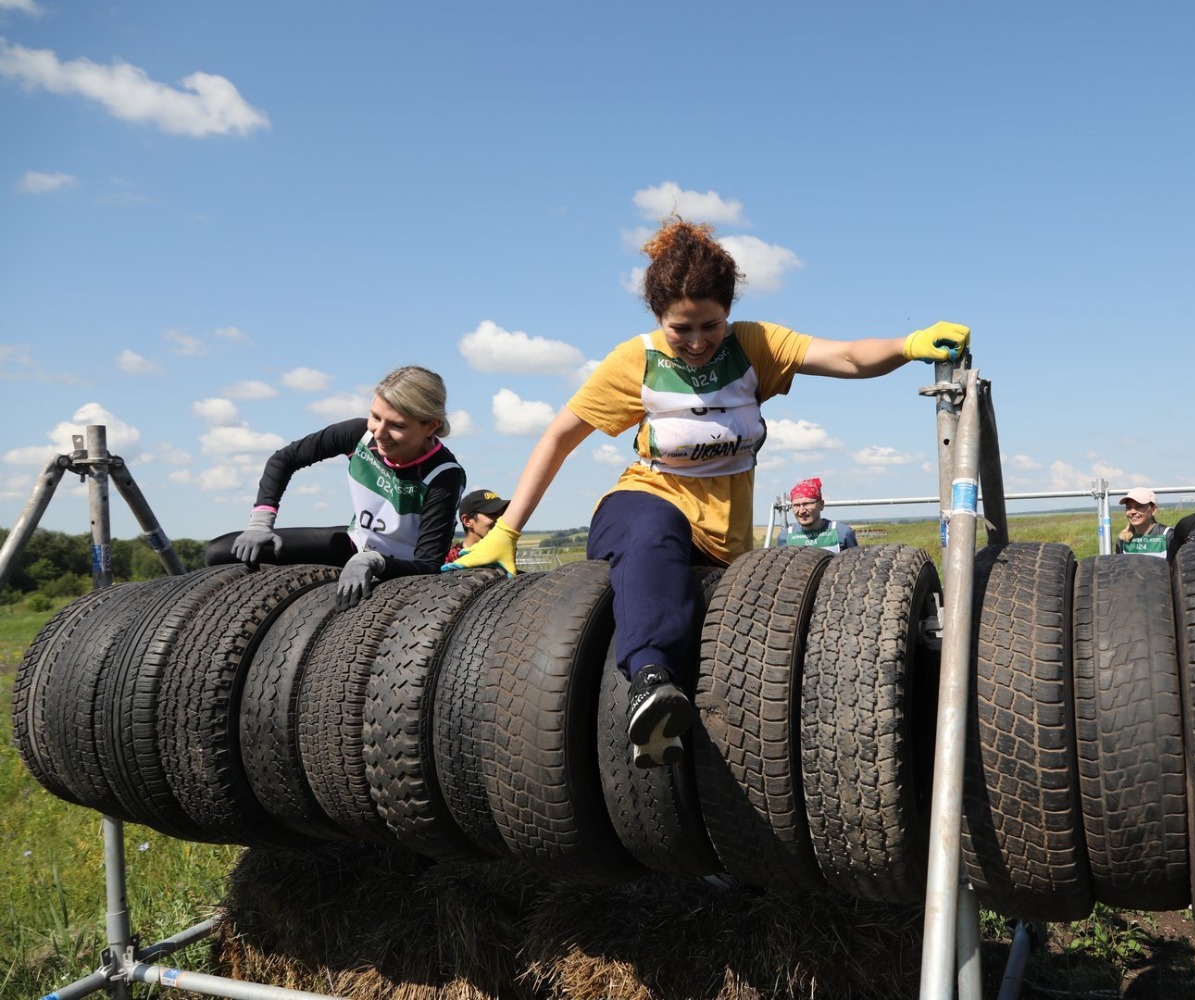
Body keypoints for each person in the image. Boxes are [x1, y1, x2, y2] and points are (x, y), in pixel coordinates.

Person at [444, 217, 968, 767]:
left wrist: (908, 345)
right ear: (658, 319)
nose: (696, 342)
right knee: (653, 530)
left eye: (709, 326)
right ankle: (650, 684)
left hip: (724, 535)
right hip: (640, 504)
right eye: (681, 329)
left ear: (728, 313)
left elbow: (846, 357)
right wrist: (507, 531)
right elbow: (558, 438)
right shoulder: (637, 360)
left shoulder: (755, 345)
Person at [206, 365, 465, 611]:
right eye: (375, 417)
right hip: (354, 545)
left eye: (397, 425)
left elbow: (428, 565)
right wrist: (261, 522)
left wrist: (375, 562)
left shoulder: (444, 475)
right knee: (220, 552)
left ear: (431, 425)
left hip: (399, 566)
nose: (379, 432)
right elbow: (283, 460)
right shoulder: (357, 434)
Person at [775, 477, 858, 552]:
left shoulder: (841, 532)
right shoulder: (785, 536)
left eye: (807, 504)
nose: (801, 510)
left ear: (821, 505)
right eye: (796, 505)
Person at [446, 489, 510, 563]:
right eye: (492, 513)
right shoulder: (451, 560)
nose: (500, 519)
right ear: (467, 520)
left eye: (502, 514)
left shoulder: (504, 554)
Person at [1114, 487, 1172, 557]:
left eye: (1139, 506)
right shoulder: (1123, 540)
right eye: (1129, 507)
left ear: (1153, 510)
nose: (1132, 512)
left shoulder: (1168, 535)